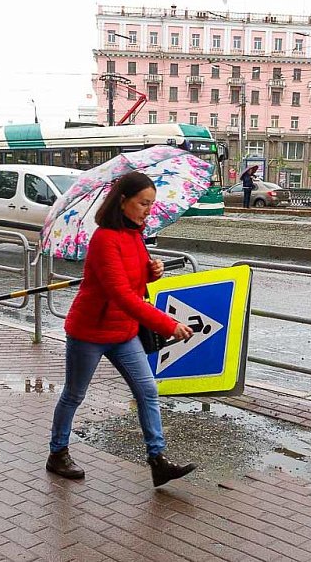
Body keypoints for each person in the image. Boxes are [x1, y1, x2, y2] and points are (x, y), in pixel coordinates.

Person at [47, 171, 197, 488]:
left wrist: (151, 271)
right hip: (90, 332)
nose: (148, 210)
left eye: (152, 204)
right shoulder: (104, 239)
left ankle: (157, 460)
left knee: (148, 391)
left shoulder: (135, 235)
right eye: (143, 203)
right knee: (74, 394)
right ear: (123, 201)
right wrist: (168, 324)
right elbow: (122, 295)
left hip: (124, 332)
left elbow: (136, 282)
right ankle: (57, 452)